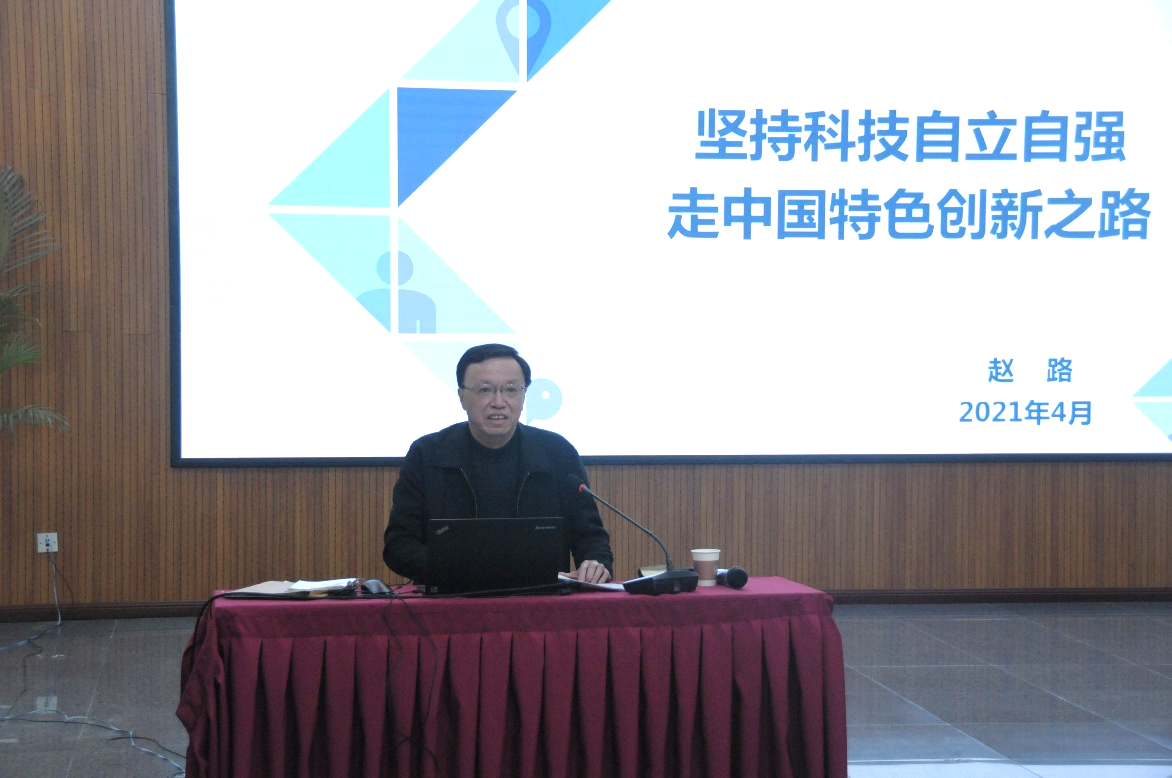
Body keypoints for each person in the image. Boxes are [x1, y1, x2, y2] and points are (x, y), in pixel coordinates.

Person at [383, 343, 614, 584]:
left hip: (541, 600)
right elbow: (399, 546)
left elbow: (590, 536)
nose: (498, 402)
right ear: (462, 397)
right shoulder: (428, 455)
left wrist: (596, 562)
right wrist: (464, 572)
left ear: (523, 396)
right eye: (485, 390)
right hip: (450, 598)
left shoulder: (557, 453)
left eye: (511, 390)